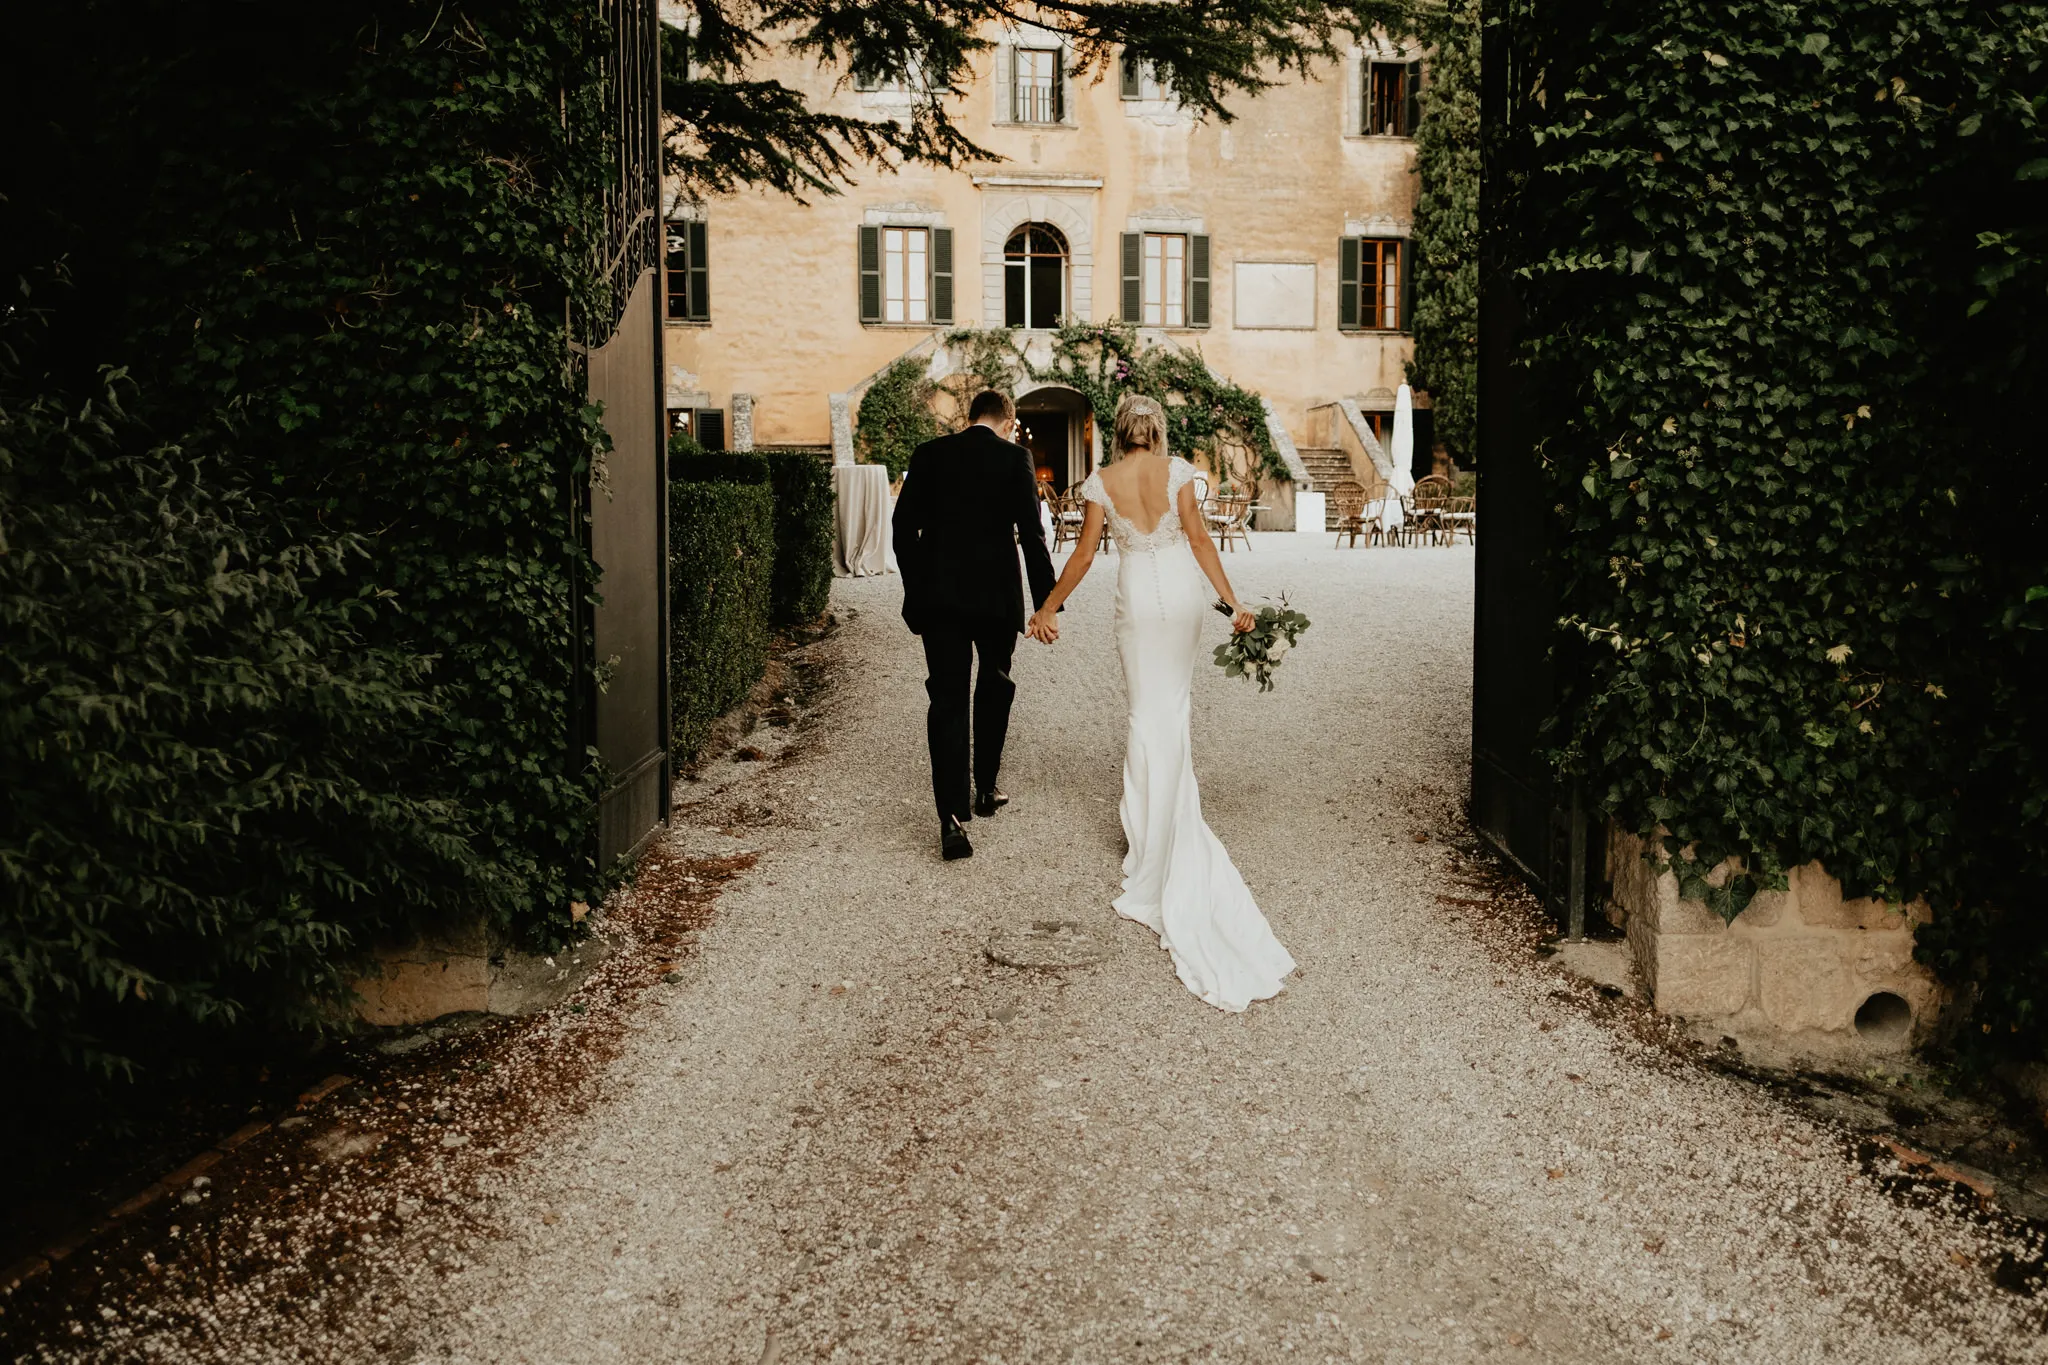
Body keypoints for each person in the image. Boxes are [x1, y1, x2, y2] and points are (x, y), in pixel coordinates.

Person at [1025, 394, 1296, 1011]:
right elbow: (1199, 542)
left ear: (1119, 434)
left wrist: (1047, 607)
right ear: (1159, 431)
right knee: (1173, 708)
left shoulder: (1101, 481)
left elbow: (1086, 554)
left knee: (1147, 713)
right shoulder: (1179, 475)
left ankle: (1154, 839)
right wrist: (1231, 602)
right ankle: (1171, 824)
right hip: (1181, 594)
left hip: (1139, 604)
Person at [892, 389, 1056, 862]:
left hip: (940, 596)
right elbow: (1031, 535)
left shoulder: (929, 454)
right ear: (1008, 420)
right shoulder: (1015, 458)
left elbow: (903, 530)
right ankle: (985, 787)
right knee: (994, 683)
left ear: (969, 418)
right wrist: (1046, 602)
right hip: (996, 597)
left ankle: (950, 817)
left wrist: (916, 587)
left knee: (946, 698)